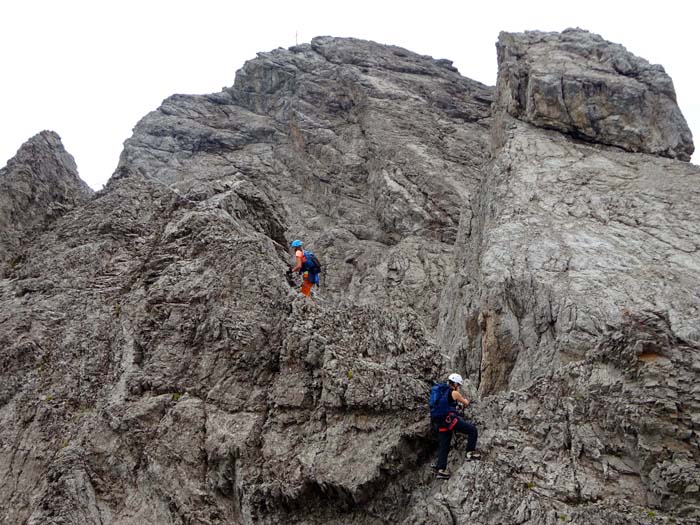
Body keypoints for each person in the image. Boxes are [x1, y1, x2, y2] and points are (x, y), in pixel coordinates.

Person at [432, 373, 480, 480]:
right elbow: (466, 402)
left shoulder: (441, 393)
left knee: (444, 445)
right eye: (458, 385)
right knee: (472, 430)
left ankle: (441, 470)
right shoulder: (453, 392)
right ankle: (470, 452)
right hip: (450, 420)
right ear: (455, 384)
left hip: (440, 422)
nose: (459, 387)